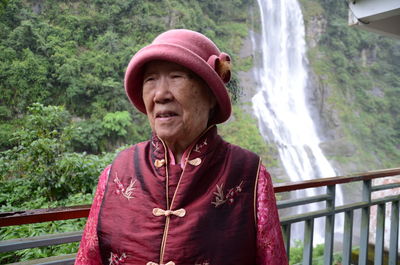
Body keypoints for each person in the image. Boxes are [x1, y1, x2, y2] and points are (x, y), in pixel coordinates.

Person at [75, 29, 288, 265]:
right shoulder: (116, 173)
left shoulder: (249, 175)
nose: (160, 95)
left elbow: (272, 259)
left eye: (176, 77)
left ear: (211, 95)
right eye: (150, 79)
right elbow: (89, 258)